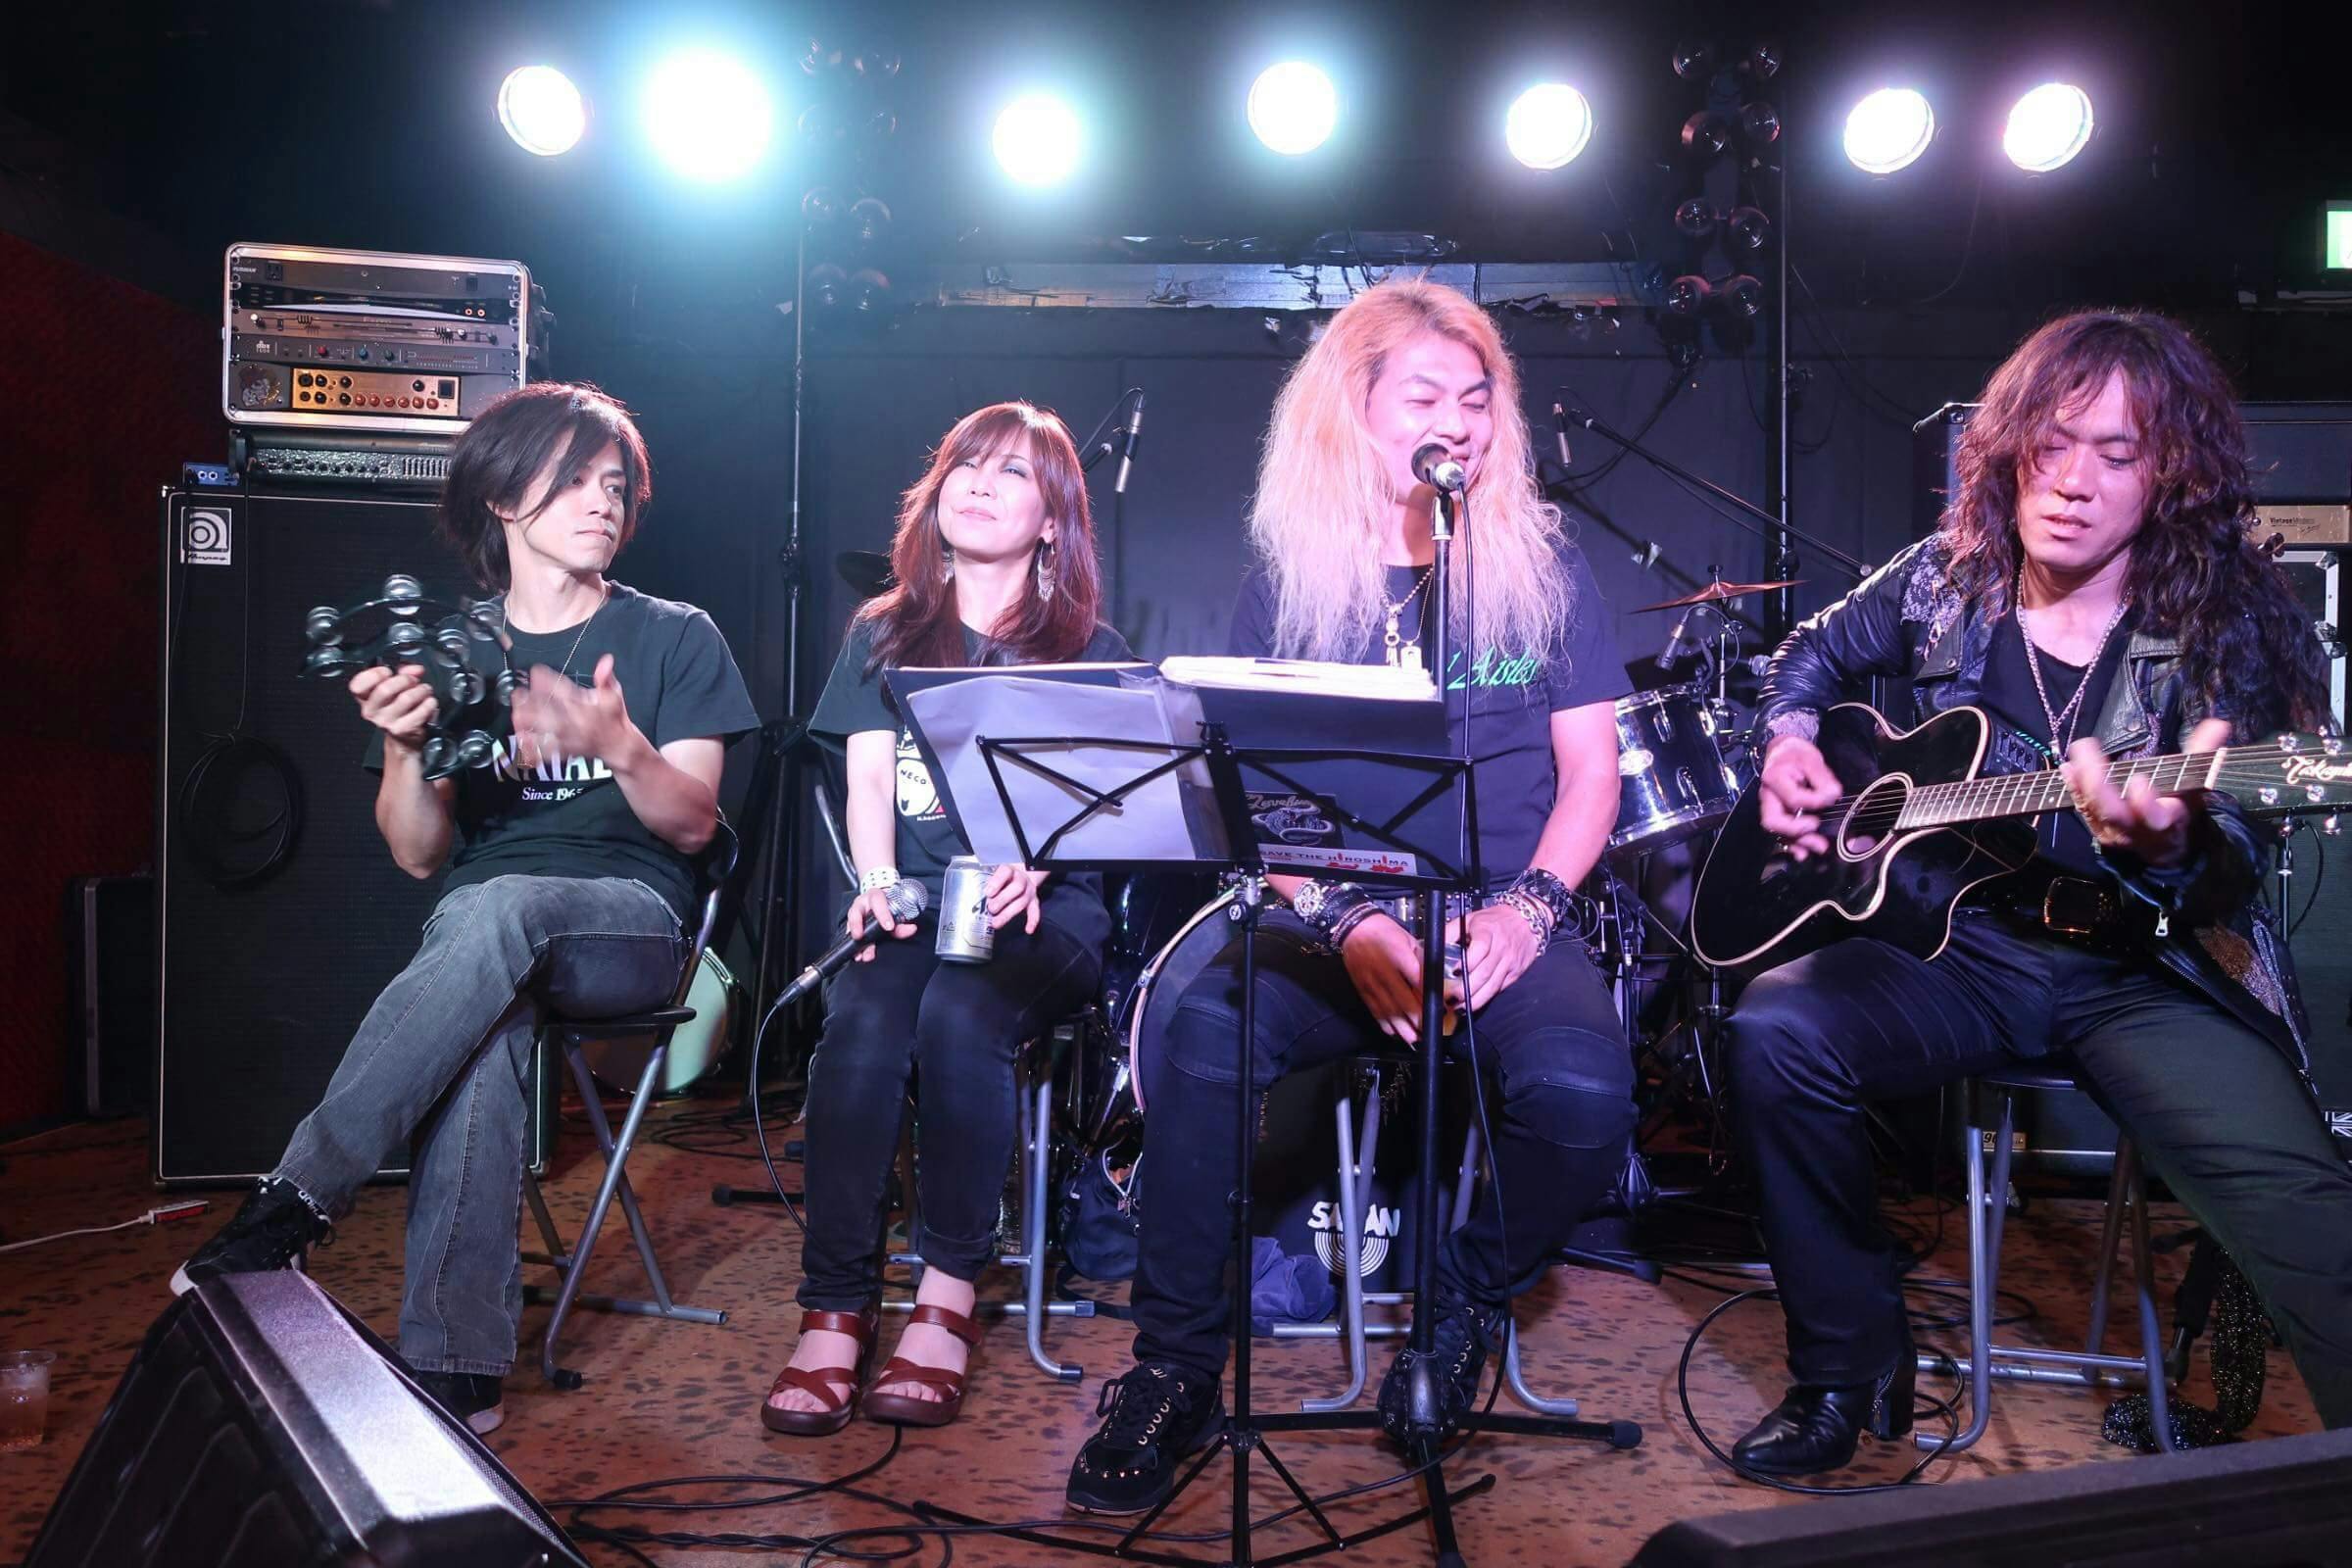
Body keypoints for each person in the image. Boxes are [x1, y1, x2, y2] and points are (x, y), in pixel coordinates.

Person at [1726, 310, 2352, 1476]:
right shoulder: (1947, 577)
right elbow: (1805, 654)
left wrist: (2170, 848)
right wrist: (1792, 736)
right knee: (1775, 1030)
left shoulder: (2222, 621)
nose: (2071, 483)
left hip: (2143, 968)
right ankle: (1849, 1371)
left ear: (2172, 474)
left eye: (2118, 454)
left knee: (2307, 1209)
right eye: (2053, 444)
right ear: (2011, 446)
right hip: (1965, 946)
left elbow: (2235, 861)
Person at [1065, 276, 1635, 1514]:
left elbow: (1592, 776)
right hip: (1335, 907)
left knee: (1585, 1098)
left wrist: (1528, 911)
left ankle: (1465, 1303)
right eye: (1424, 397)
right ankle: (1173, 1370)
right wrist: (1351, 922)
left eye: (1476, 399)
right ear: (1353, 410)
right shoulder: (1292, 578)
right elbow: (1257, 802)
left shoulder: (1546, 567)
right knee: (1206, 1035)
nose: (1457, 423)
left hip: (1504, 907)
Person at [172, 383, 760, 1435]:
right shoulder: (450, 647)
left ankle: (293, 1202)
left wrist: (617, 743)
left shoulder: (674, 635)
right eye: (574, 479)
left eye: (615, 484)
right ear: (501, 495)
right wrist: (405, 748)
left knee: (499, 909)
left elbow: (693, 827)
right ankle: (456, 1371)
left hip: (629, 924)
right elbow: (416, 852)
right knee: (487, 999)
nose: (603, 501)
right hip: (487, 941)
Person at [762, 401, 1134, 1436]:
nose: (979, 483)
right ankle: (835, 1305)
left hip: (1044, 915)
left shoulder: (1087, 647)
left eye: (1013, 473)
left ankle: (947, 1296)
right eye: (967, 464)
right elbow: (867, 780)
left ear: (1053, 520)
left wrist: (1038, 860)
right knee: (862, 1024)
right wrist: (877, 879)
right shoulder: (883, 630)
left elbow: (1109, 807)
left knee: (962, 1017)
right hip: (921, 906)